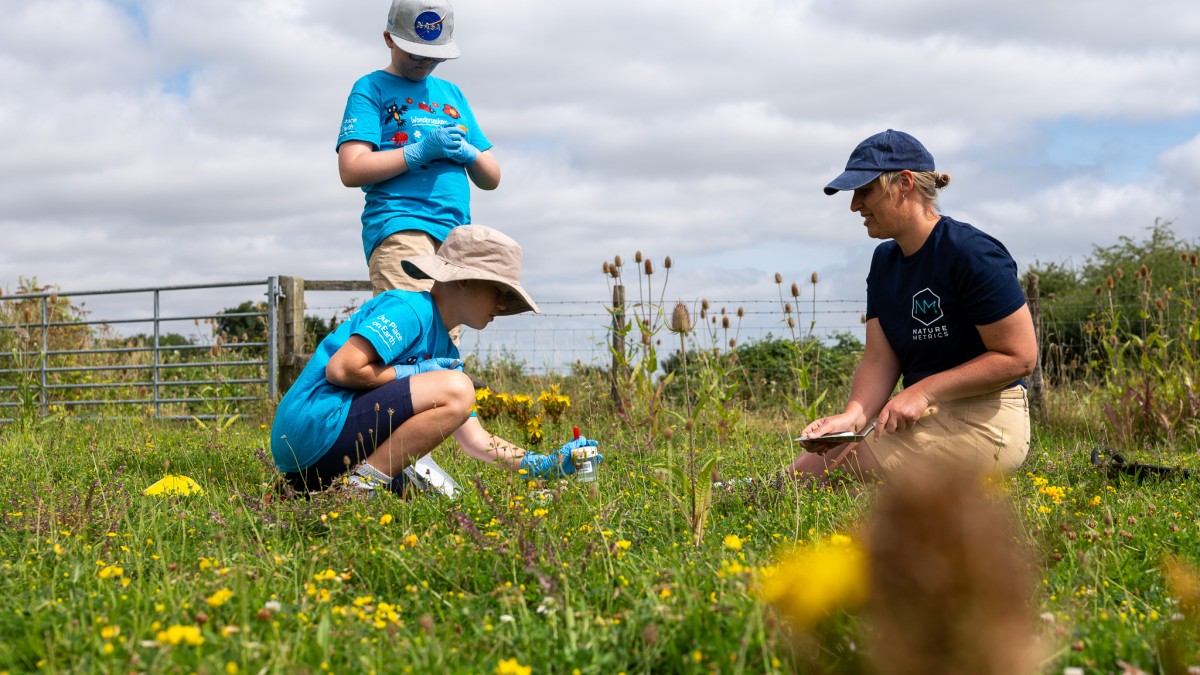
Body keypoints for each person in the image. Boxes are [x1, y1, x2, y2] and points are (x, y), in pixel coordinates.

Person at [270, 225, 600, 496]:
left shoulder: (447, 354)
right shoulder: (411, 309)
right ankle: (359, 488)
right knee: (459, 387)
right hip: (316, 426)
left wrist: (543, 464)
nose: (501, 305)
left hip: (322, 457)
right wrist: (412, 371)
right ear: (465, 279)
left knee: (442, 499)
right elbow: (342, 369)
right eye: (499, 291)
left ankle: (307, 492)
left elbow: (475, 440)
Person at [789, 129, 1037, 481]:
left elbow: (1019, 356)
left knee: (845, 473)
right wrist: (853, 418)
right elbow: (879, 358)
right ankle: (729, 493)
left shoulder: (971, 253)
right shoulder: (884, 261)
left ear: (904, 183)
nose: (854, 205)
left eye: (865, 190)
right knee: (802, 475)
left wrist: (922, 390)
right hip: (926, 414)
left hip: (989, 419)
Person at [337, 0, 501, 297]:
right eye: (416, 54)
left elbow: (492, 178)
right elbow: (351, 169)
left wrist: (470, 154)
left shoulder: (452, 94)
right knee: (414, 330)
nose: (425, 63)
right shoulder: (371, 87)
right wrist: (419, 151)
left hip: (455, 236)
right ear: (388, 38)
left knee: (444, 340)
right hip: (402, 226)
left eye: (435, 57)